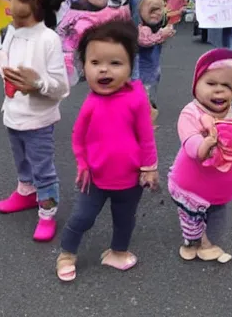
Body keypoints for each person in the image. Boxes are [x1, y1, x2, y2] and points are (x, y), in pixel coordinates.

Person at [56, 20, 159, 282]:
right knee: (82, 217)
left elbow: (146, 137)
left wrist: (150, 168)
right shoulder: (91, 103)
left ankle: (118, 251)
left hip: (130, 178)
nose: (104, 70)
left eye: (115, 63)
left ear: (130, 66)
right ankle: (67, 253)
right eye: (95, 63)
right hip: (96, 178)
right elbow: (77, 137)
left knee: (125, 219)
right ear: (84, 67)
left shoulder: (136, 98)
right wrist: (82, 164)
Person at [0, 0, 69, 242]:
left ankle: (47, 212)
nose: (10, 1)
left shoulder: (48, 39)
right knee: (22, 161)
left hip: (38, 119)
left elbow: (62, 87)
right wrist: (6, 68)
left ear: (38, 3)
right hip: (13, 113)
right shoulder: (11, 31)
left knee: (42, 167)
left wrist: (36, 83)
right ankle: (26, 192)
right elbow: (3, 56)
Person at [168, 48, 232, 264]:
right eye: (211, 83)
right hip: (191, 181)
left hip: (220, 181)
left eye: (227, 86)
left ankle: (209, 242)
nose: (219, 91)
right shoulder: (191, 113)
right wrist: (204, 143)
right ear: (196, 85)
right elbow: (190, 143)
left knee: (218, 213)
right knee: (191, 215)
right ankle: (192, 241)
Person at [132, 0, 175, 121]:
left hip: (152, 68)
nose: (156, 14)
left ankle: (147, 109)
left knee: (150, 88)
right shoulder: (141, 29)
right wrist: (162, 34)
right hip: (141, 70)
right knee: (143, 91)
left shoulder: (152, 29)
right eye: (152, 11)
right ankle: (143, 116)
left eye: (159, 10)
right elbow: (145, 41)